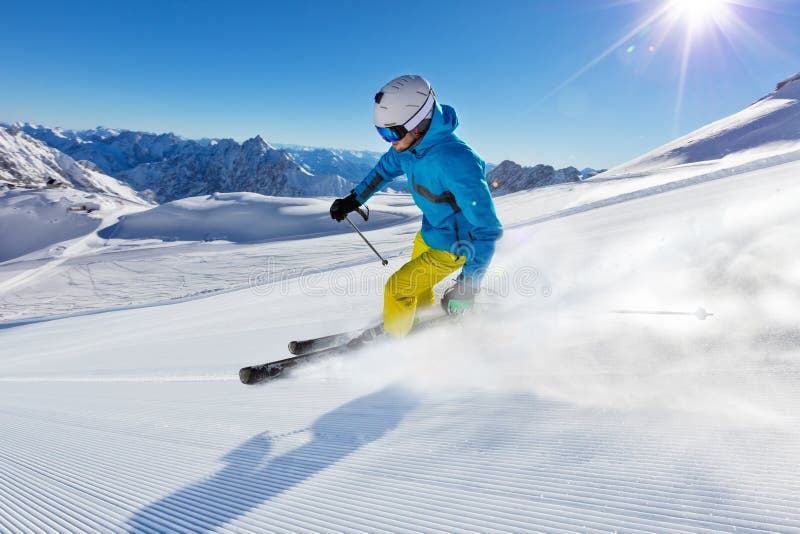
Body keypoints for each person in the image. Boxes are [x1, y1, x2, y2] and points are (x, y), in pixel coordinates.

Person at [330, 75, 503, 337]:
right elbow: (383, 171)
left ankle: (393, 343)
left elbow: (488, 231)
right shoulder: (409, 147)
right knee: (418, 286)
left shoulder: (456, 161)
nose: (390, 141)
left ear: (419, 123)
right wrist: (354, 199)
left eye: (392, 132)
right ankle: (419, 322)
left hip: (456, 246)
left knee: (397, 288)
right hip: (430, 233)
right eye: (381, 132)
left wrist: (467, 287)